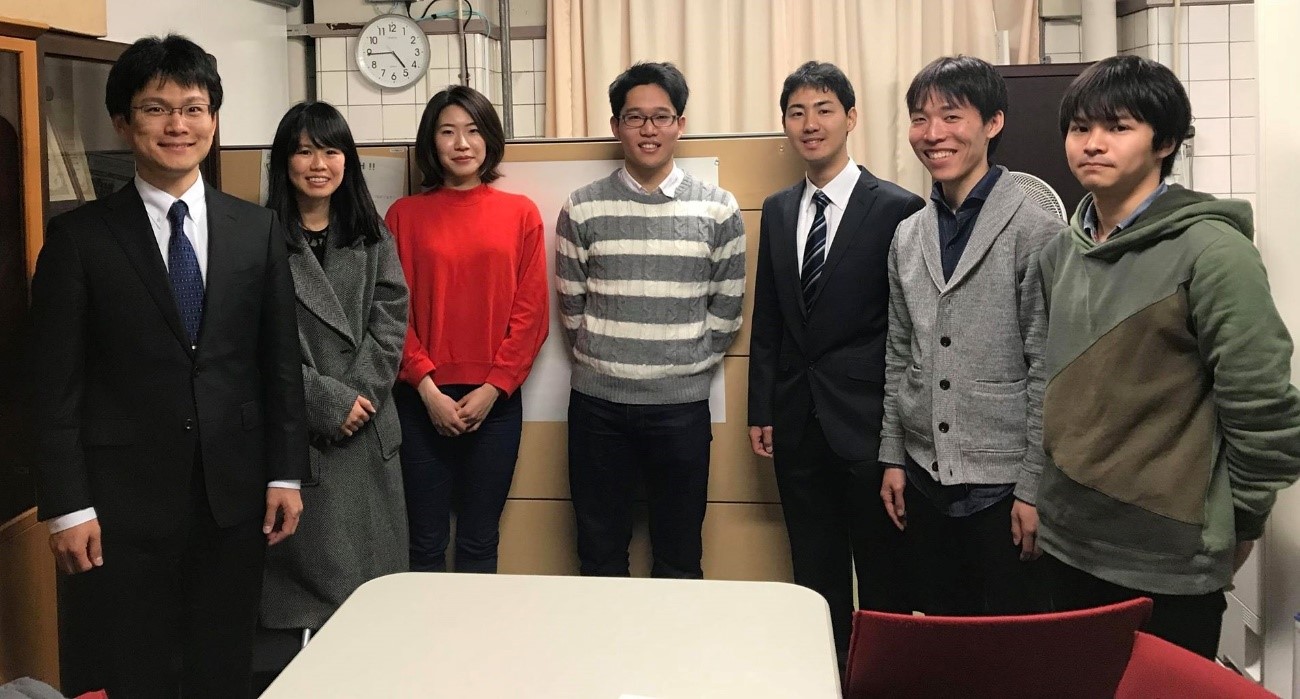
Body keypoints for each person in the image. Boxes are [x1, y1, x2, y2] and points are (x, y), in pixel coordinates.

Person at [27, 34, 307, 697]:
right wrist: (67, 507)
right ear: (122, 122)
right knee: (137, 670)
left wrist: (285, 471)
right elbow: (52, 387)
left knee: (224, 666)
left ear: (213, 119)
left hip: (234, 495)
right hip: (121, 505)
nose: (178, 125)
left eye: (193, 108)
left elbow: (279, 365)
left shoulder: (256, 229)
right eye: (156, 108)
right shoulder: (80, 239)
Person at [1037, 54, 1300, 659]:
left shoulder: (1214, 252)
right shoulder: (1061, 252)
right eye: (1080, 127)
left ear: (1166, 142)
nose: (1093, 143)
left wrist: (1240, 522)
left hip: (1166, 561)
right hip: (1066, 540)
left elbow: (1262, 406)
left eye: (1117, 127)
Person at [746, 60, 924, 664]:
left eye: (823, 110)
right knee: (813, 572)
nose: (810, 123)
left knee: (885, 575)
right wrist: (762, 407)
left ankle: (884, 679)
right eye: (797, 112)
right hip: (796, 421)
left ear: (851, 118)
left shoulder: (898, 207)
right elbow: (769, 317)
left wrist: (900, 431)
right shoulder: (776, 209)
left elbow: (909, 330)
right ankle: (824, 675)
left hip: (870, 423)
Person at [878, 55, 1056, 616]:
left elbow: (1048, 367)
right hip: (923, 477)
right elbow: (899, 354)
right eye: (920, 118)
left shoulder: (1035, 228)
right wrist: (892, 456)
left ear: (993, 123)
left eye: (951, 116)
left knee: (1006, 643)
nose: (933, 134)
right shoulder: (908, 234)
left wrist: (1033, 486)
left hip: (1003, 487)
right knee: (940, 635)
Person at [555, 62, 745, 579]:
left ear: (680, 124)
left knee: (680, 555)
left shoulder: (718, 208)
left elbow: (727, 306)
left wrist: (686, 365)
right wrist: (605, 359)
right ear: (616, 125)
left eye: (661, 117)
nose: (648, 129)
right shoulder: (582, 207)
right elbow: (571, 304)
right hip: (598, 408)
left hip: (680, 409)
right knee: (598, 555)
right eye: (634, 117)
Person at [258, 101, 409, 660]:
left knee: (376, 597)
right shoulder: (258, 238)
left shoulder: (371, 235)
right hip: (305, 433)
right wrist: (324, 401)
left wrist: (357, 396)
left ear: (348, 159)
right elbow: (251, 343)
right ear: (284, 161)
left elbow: (391, 320)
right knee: (313, 597)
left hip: (367, 432)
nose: (318, 164)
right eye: (304, 151)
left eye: (330, 150)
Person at [386, 85, 548, 573]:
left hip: (495, 403)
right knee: (424, 542)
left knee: (480, 540)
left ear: (489, 139)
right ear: (430, 142)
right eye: (448, 132)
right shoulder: (403, 215)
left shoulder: (521, 212)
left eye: (474, 131)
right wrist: (426, 388)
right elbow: (390, 312)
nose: (462, 143)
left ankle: (477, 628)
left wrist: (495, 387)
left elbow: (531, 313)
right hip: (420, 401)